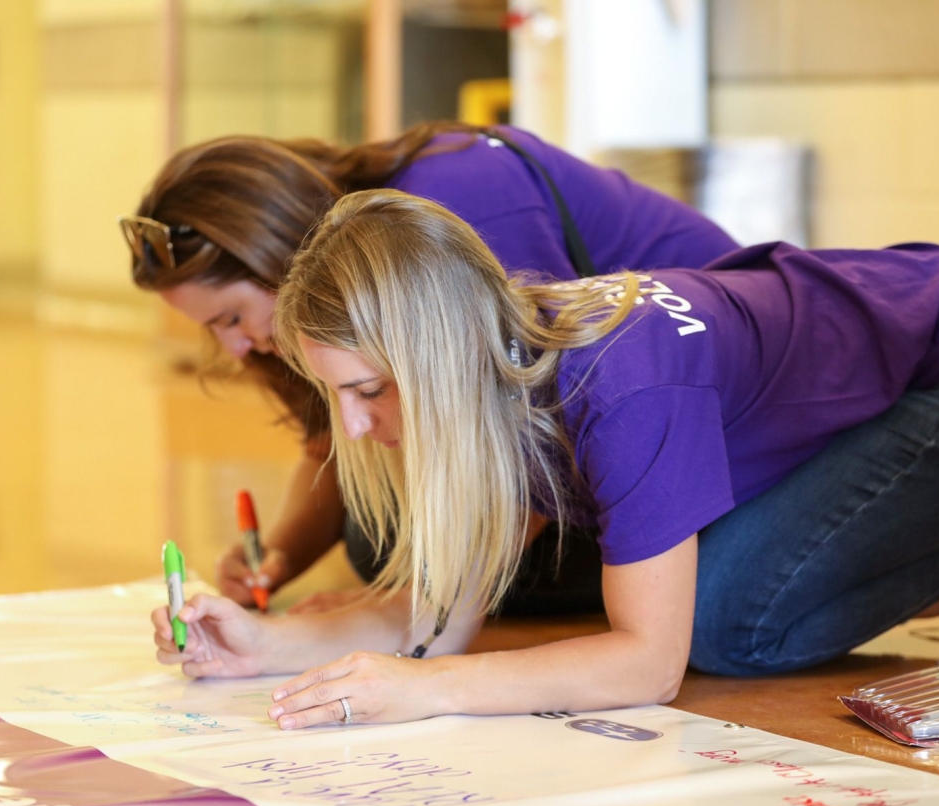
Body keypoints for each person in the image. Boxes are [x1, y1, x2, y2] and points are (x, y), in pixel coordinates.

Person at [151, 188, 939, 729]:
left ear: (438, 360)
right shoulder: (497, 361)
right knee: (714, 595)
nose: (350, 431)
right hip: (879, 371)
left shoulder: (619, 384)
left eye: (368, 390)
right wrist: (265, 642)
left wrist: (433, 692)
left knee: (730, 623)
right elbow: (438, 618)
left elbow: (648, 667)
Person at [122, 123, 739, 615]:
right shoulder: (335, 274)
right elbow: (332, 443)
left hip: (696, 422)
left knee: (407, 546)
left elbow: (533, 411)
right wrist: (277, 555)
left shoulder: (452, 197)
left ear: (274, 256)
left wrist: (407, 619)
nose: (234, 347)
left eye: (231, 318)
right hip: (587, 433)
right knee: (380, 532)